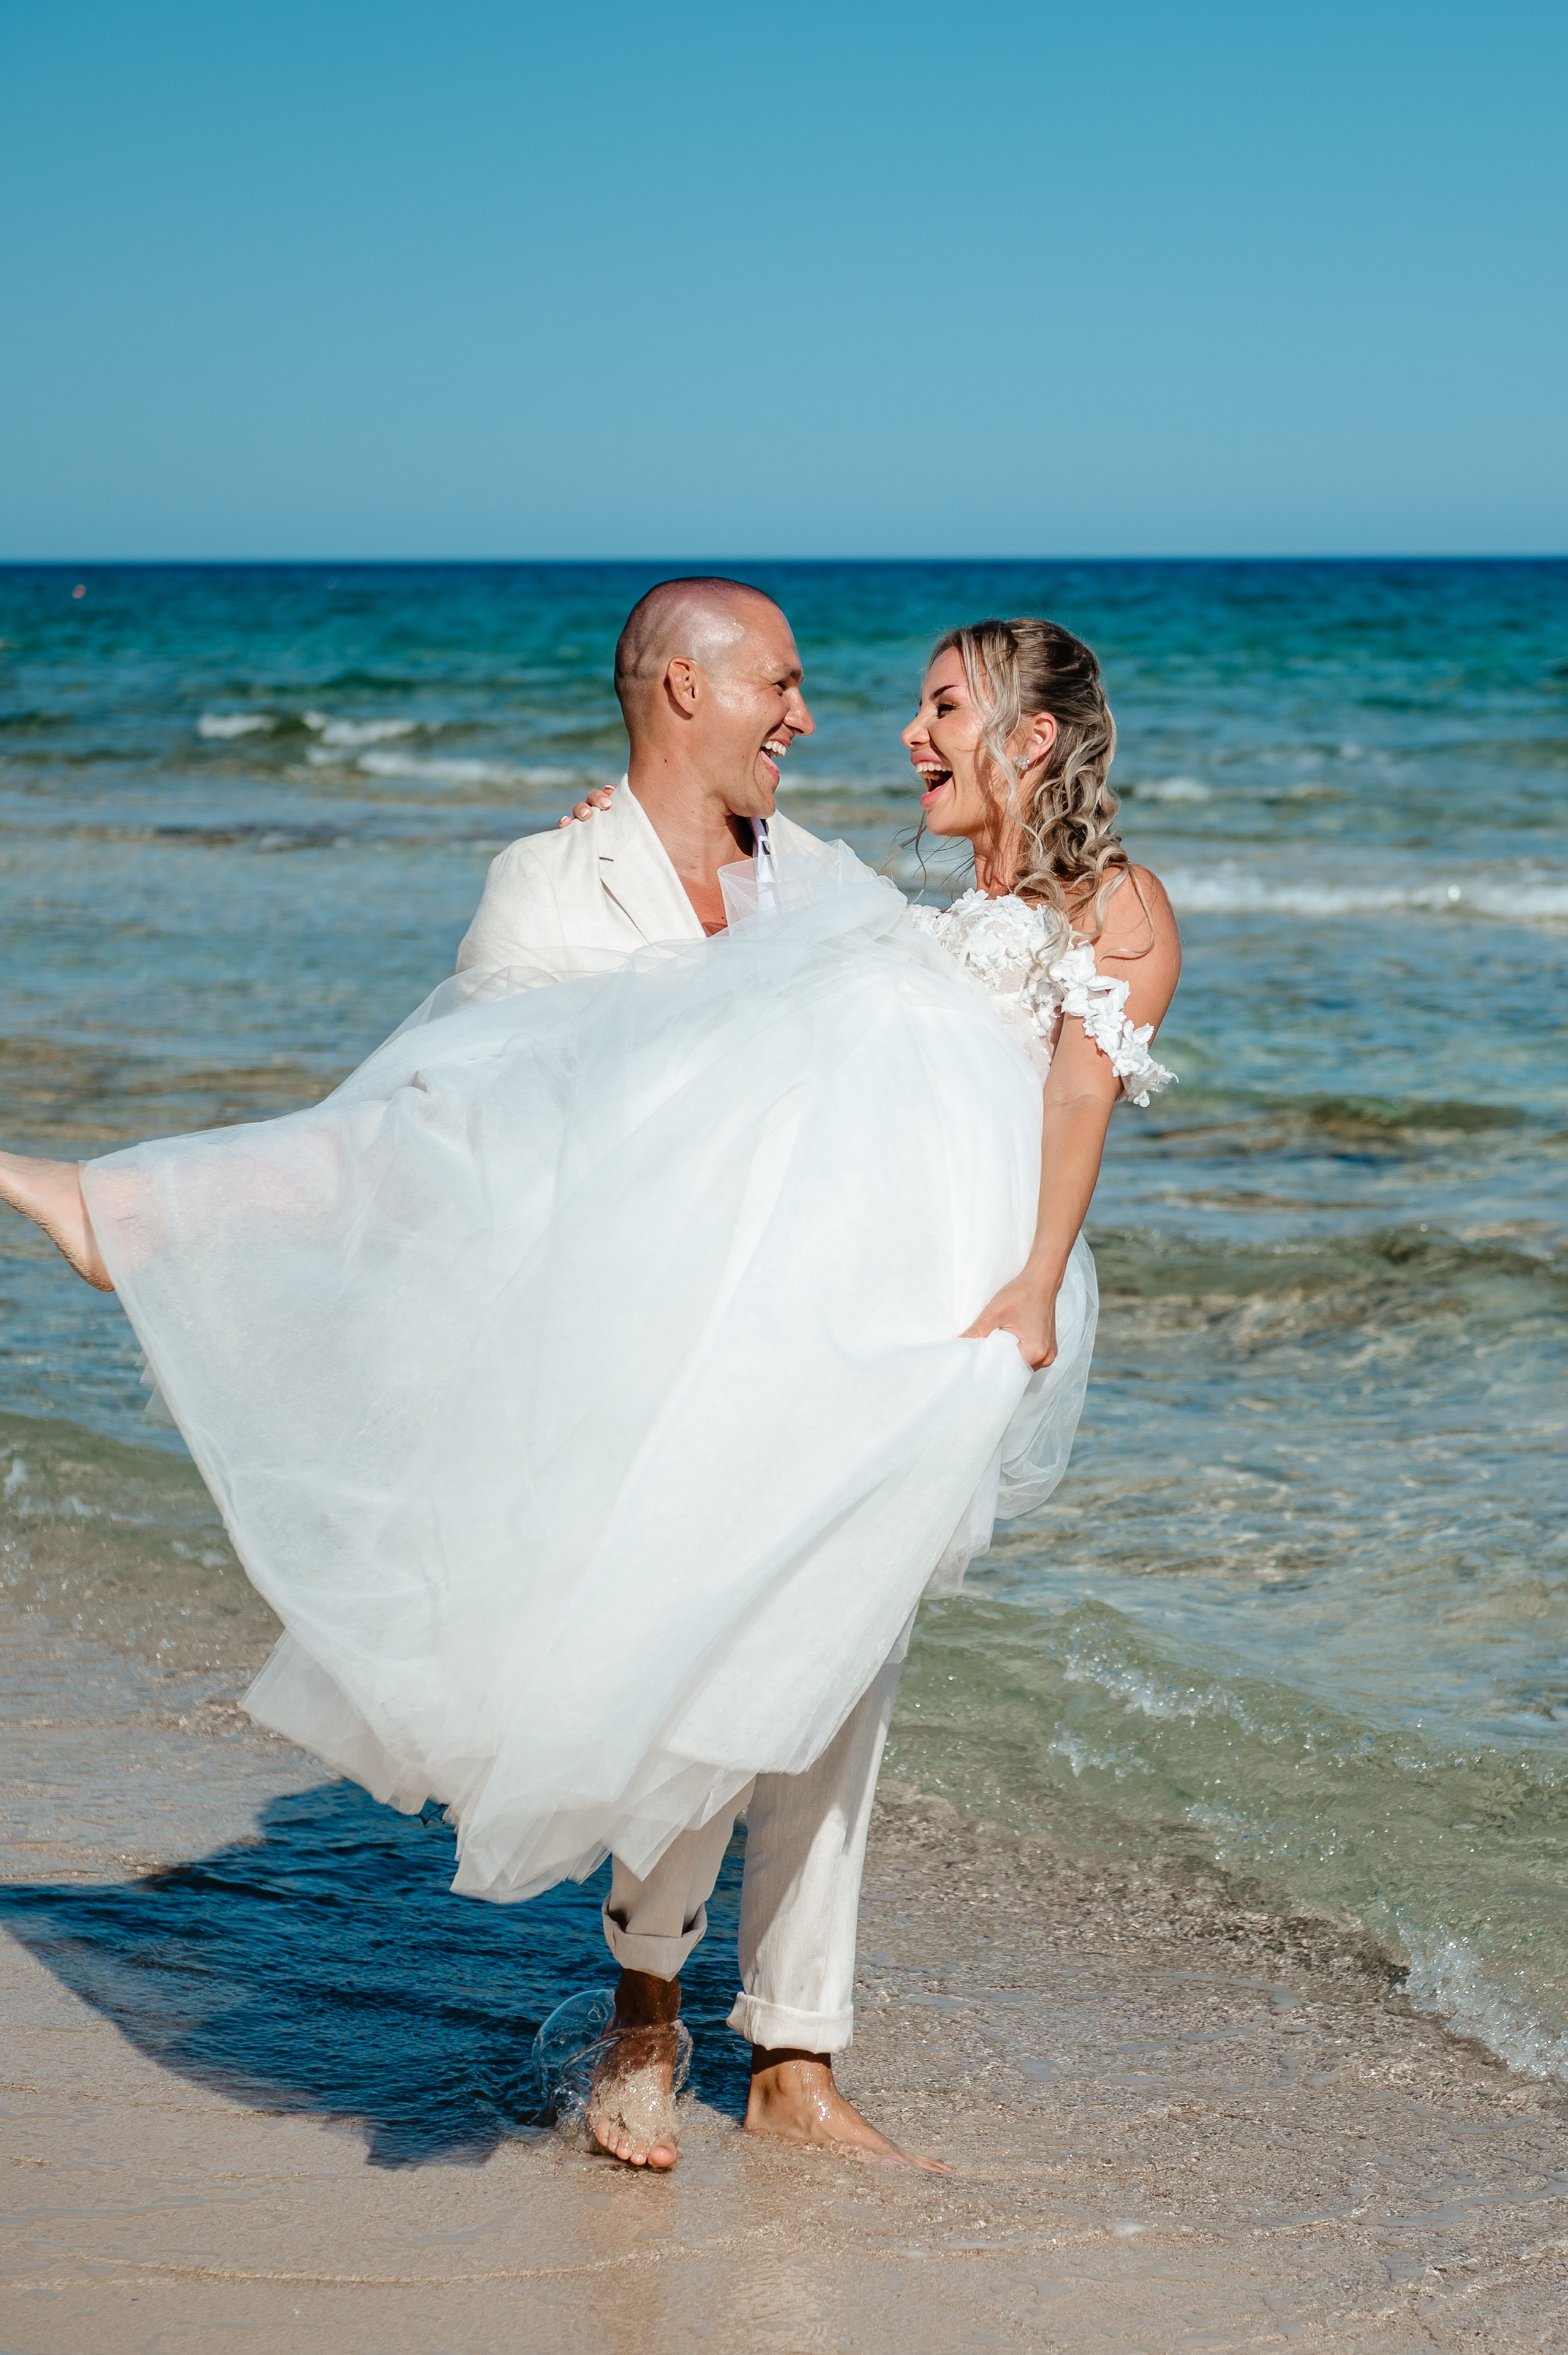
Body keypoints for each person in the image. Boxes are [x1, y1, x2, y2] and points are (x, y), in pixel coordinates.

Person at [0, 592, 1178, 2177]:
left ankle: (794, 2047)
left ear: (1030, 736)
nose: (836, 722)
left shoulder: (832, 880)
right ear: (687, 689)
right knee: (699, 1669)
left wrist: (1027, 1284)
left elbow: (1024, 1076)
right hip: (668, 1345)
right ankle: (649, 2007)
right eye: (790, 685)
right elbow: (468, 1112)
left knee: (829, 1674)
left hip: (883, 1342)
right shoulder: (557, 885)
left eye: (935, 705)